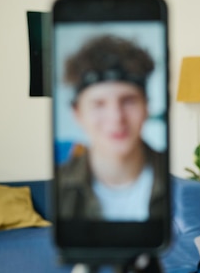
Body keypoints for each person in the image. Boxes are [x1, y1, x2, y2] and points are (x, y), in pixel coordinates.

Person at [57, 34, 166, 221]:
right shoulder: (59, 187)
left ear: (146, 107)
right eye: (99, 104)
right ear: (77, 113)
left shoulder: (175, 186)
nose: (116, 118)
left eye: (128, 101)